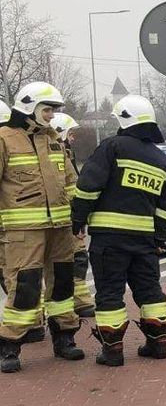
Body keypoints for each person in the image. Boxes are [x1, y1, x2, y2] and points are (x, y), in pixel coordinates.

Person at [73, 95, 166, 366]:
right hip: (144, 240)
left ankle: (113, 352)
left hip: (109, 239)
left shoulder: (112, 147)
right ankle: (158, 345)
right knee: (150, 290)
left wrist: (78, 219)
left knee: (109, 292)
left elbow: (88, 186)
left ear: (123, 120)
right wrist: (158, 237)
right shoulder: (163, 161)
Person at [0, 82, 84, 373]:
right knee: (25, 286)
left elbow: (71, 183)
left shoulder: (52, 140)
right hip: (24, 231)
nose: (50, 116)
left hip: (60, 228)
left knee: (62, 283)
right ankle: (10, 346)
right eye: (46, 110)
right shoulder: (4, 139)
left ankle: (65, 338)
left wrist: (79, 218)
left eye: (51, 111)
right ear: (28, 109)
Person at [50, 113, 95, 321]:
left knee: (77, 261)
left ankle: (81, 301)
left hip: (69, 217)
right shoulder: (56, 155)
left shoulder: (66, 154)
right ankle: (75, 304)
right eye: (70, 134)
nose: (73, 138)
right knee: (69, 263)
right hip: (62, 220)